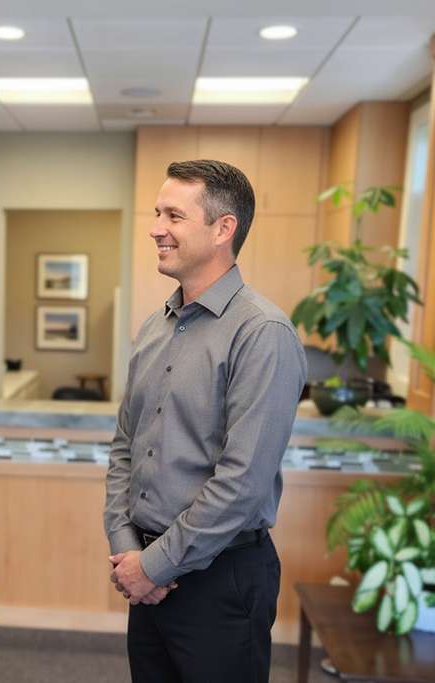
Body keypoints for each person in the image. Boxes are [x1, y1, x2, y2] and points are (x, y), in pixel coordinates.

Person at [104, 159, 307, 682]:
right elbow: (126, 446)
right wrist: (128, 549)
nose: (156, 228)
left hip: (222, 580)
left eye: (173, 215)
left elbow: (241, 483)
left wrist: (152, 567)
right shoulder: (154, 327)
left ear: (223, 229)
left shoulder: (263, 333)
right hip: (148, 572)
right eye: (156, 213)